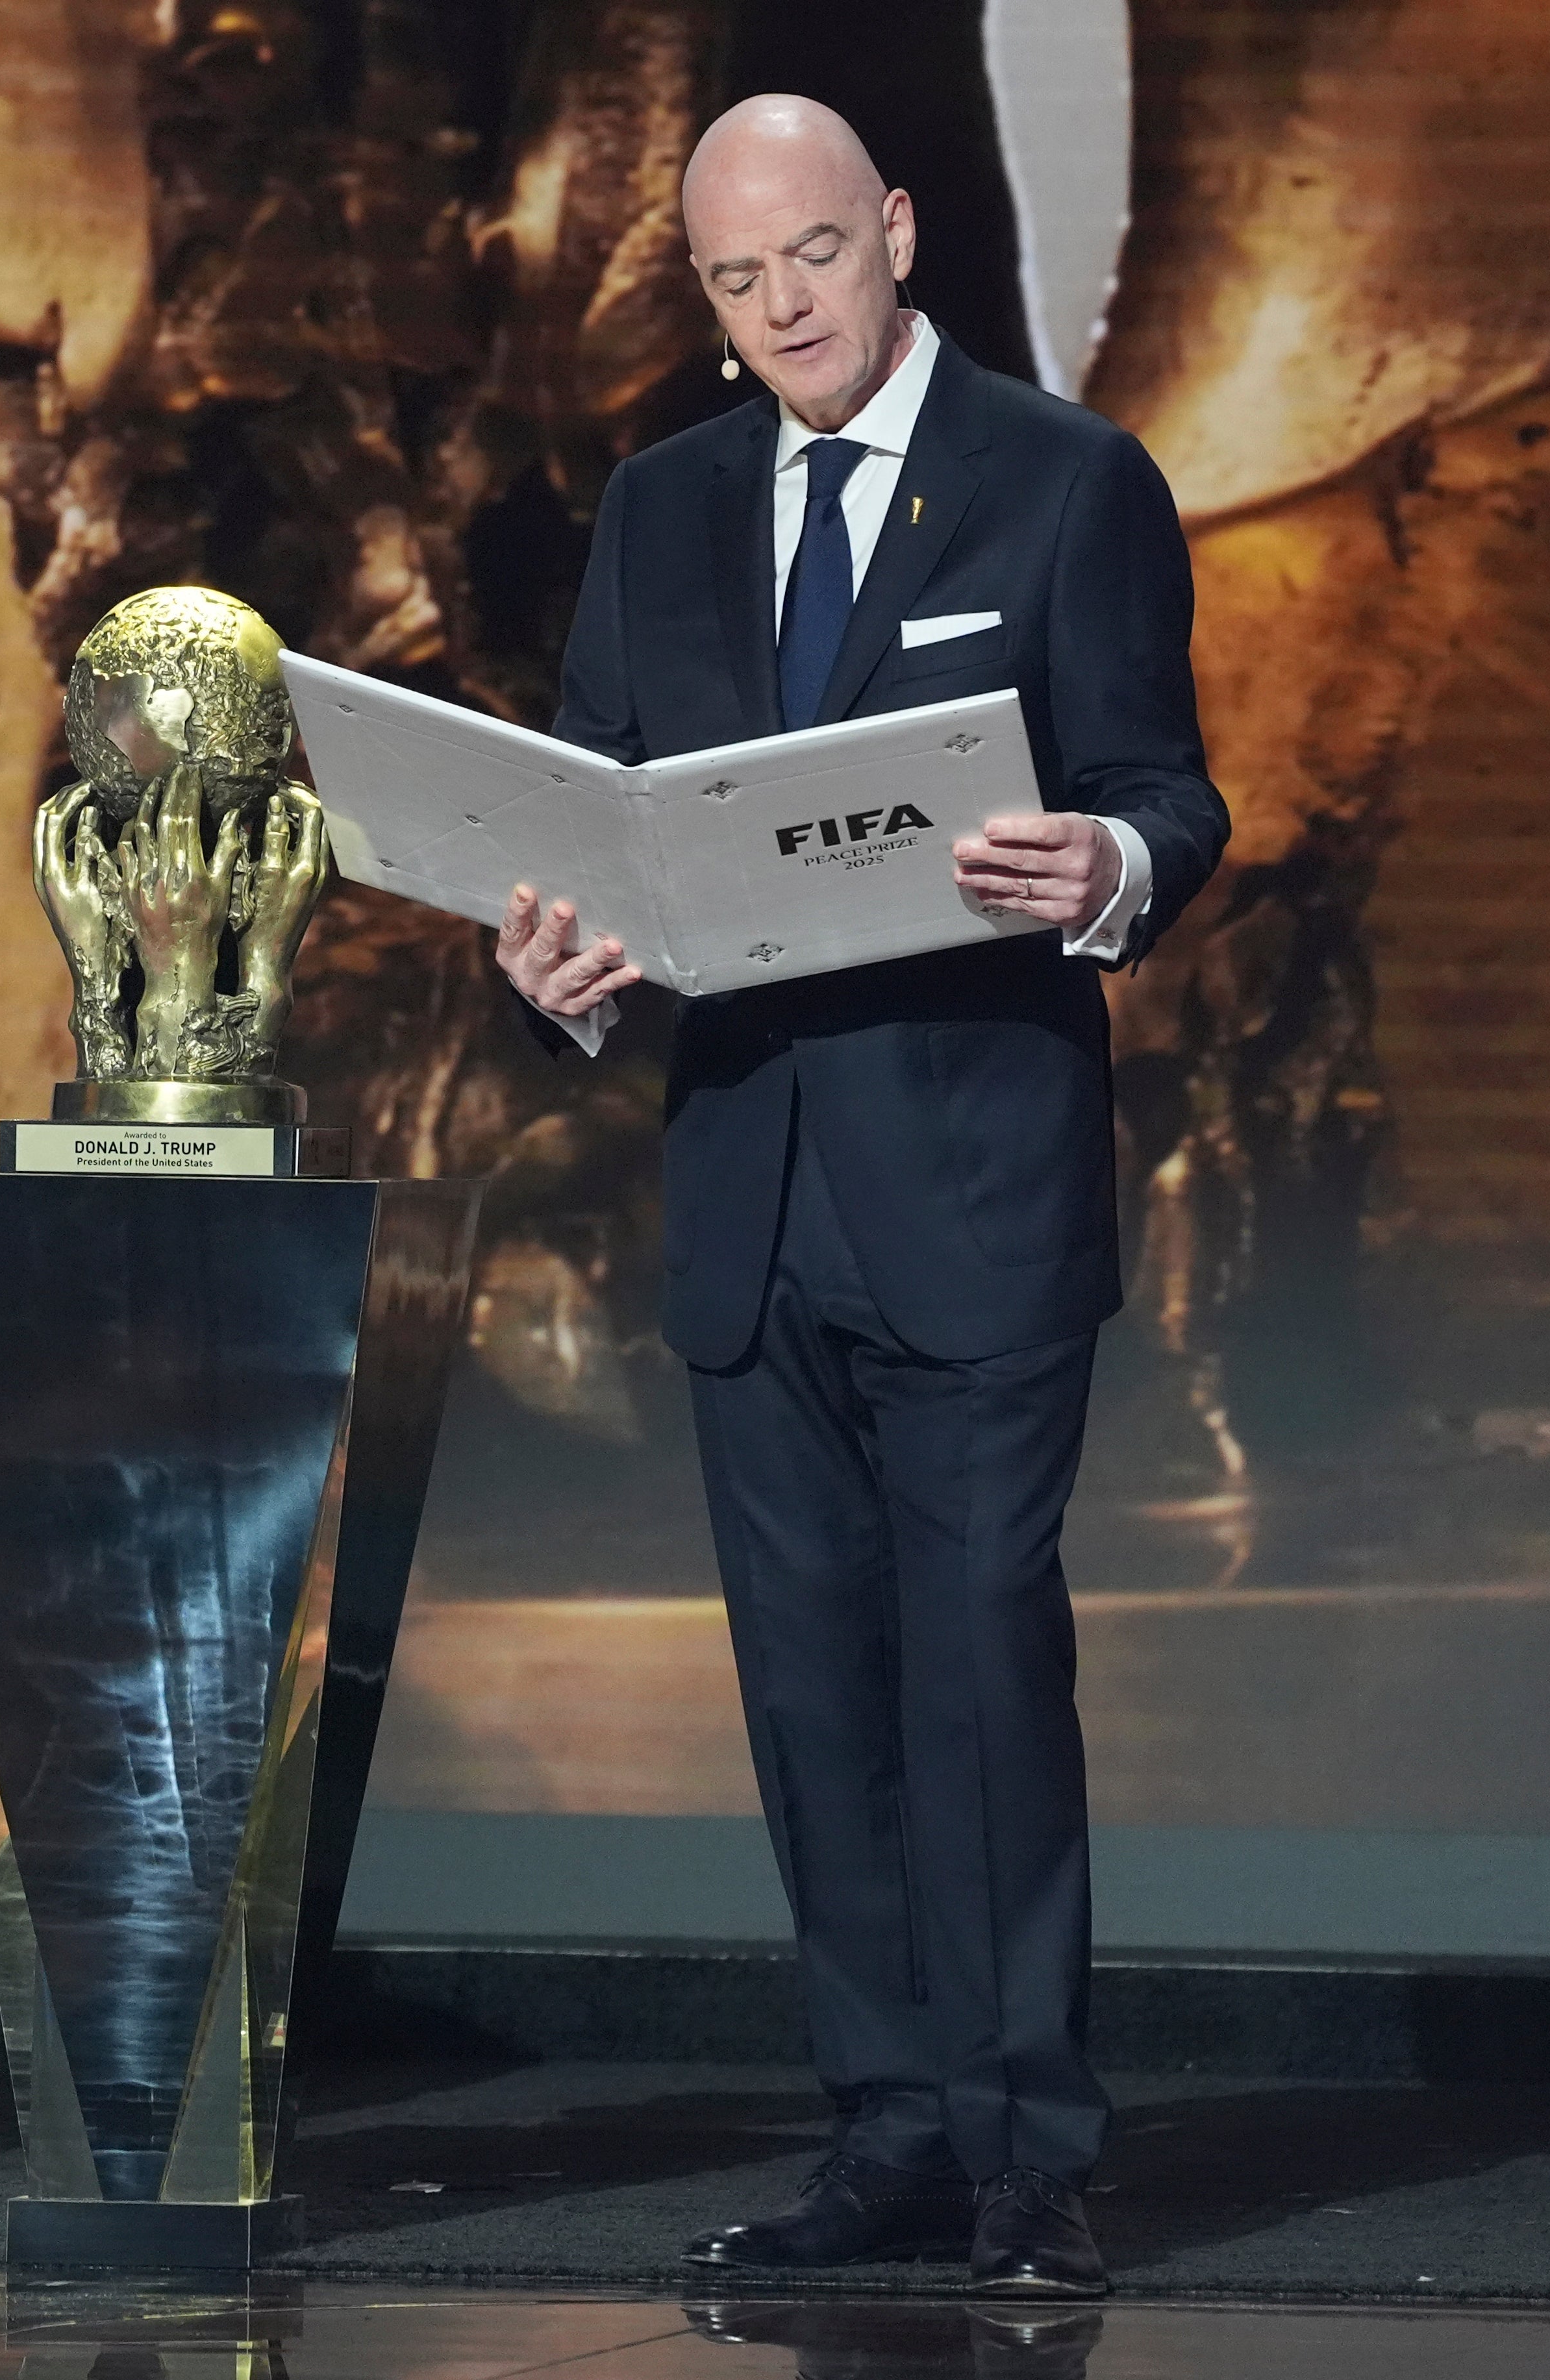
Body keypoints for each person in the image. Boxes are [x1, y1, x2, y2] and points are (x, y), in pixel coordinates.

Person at [496, 94, 1229, 2297]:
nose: (783, 305)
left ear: (894, 233)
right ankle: (887, 2134)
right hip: (748, 1194)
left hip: (973, 1194)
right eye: (736, 280)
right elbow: (604, 820)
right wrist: (551, 967)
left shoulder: (1063, 477)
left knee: (982, 1678)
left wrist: (1098, 869)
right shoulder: (662, 507)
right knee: (814, 1693)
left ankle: (1029, 2152)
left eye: (811, 253)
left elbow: (1162, 791)